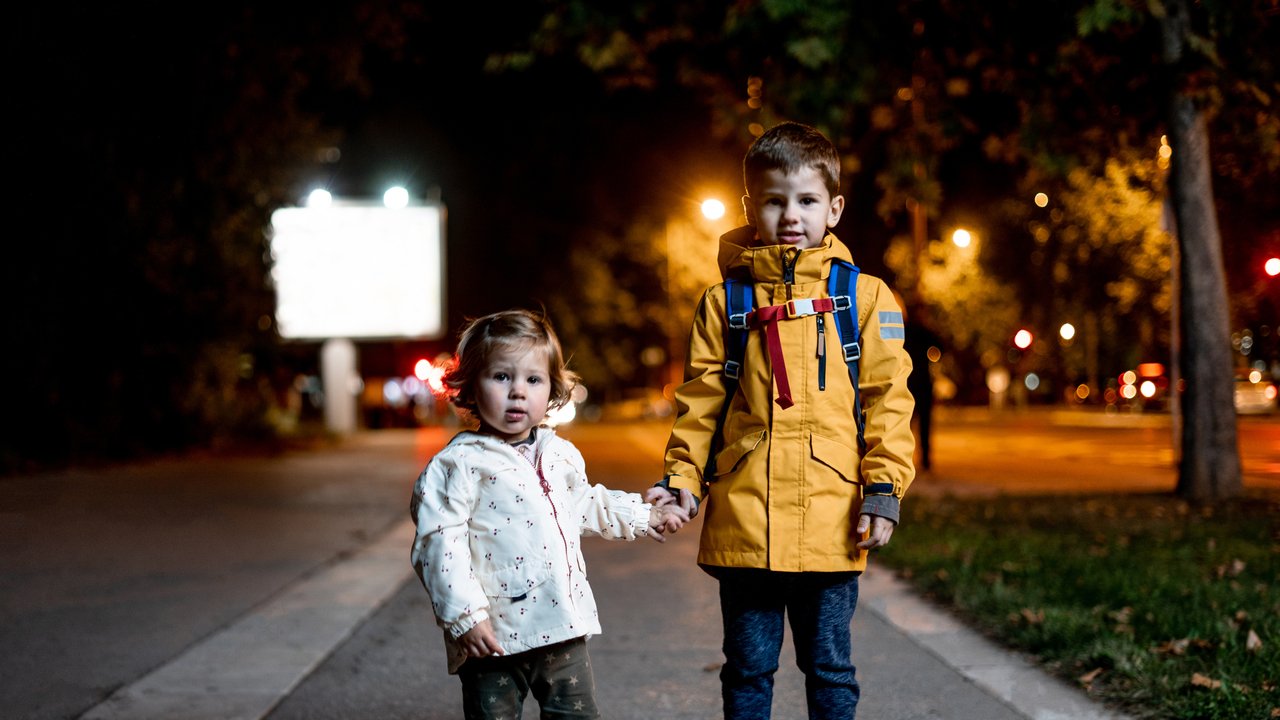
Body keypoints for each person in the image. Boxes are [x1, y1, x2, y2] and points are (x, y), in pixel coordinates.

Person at [646, 121, 916, 719]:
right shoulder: (726, 303)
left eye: (806, 199)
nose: (790, 214)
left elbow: (888, 402)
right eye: (773, 200)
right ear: (751, 206)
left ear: (835, 208)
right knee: (746, 672)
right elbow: (699, 405)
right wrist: (681, 483)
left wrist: (883, 490)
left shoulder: (866, 299)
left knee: (830, 672)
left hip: (833, 520)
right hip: (745, 521)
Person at [409, 309, 688, 720]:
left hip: (561, 624)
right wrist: (464, 618)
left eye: (533, 379)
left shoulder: (558, 454)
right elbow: (438, 545)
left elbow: (587, 504)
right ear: (469, 386)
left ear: (552, 390)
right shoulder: (457, 465)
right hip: (493, 638)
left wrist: (645, 516)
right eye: (501, 377)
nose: (517, 391)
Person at [902, 301, 942, 471]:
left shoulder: (907, 330)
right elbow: (941, 347)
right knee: (913, 424)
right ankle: (921, 460)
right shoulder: (920, 331)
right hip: (915, 382)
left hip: (912, 382)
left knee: (911, 424)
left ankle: (920, 459)